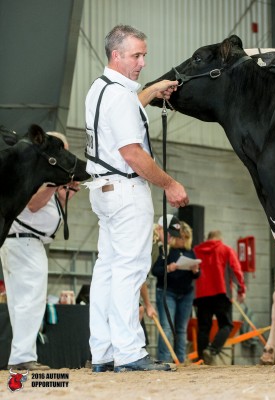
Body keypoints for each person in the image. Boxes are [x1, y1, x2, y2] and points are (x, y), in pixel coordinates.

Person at [85, 24, 188, 373]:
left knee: (108, 270)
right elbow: (132, 153)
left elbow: (126, 111)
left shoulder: (100, 89)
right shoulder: (118, 96)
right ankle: (129, 352)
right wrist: (169, 184)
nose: (143, 62)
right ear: (116, 55)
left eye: (144, 55)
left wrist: (152, 91)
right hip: (127, 189)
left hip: (103, 190)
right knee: (130, 270)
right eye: (136, 56)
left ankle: (103, 352)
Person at [0, 131, 78, 371]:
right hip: (24, 242)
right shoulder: (33, 172)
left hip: (23, 242)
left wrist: (65, 191)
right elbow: (33, 205)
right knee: (30, 300)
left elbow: (49, 209)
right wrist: (56, 183)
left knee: (22, 301)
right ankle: (23, 357)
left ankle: (20, 356)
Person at [151, 215, 200, 363]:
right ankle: (165, 360)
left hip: (186, 294)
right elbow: (155, 271)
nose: (183, 241)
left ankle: (180, 360)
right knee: (167, 327)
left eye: (186, 238)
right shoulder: (165, 250)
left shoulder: (190, 252)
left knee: (181, 329)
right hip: (168, 293)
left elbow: (197, 275)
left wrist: (195, 271)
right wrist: (169, 268)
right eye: (181, 237)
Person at [193, 230, 246, 364]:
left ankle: (201, 359)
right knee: (226, 325)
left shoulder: (196, 251)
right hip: (221, 293)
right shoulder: (226, 250)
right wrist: (241, 290)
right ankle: (212, 350)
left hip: (201, 295)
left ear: (208, 238)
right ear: (219, 238)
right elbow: (236, 271)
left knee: (203, 328)